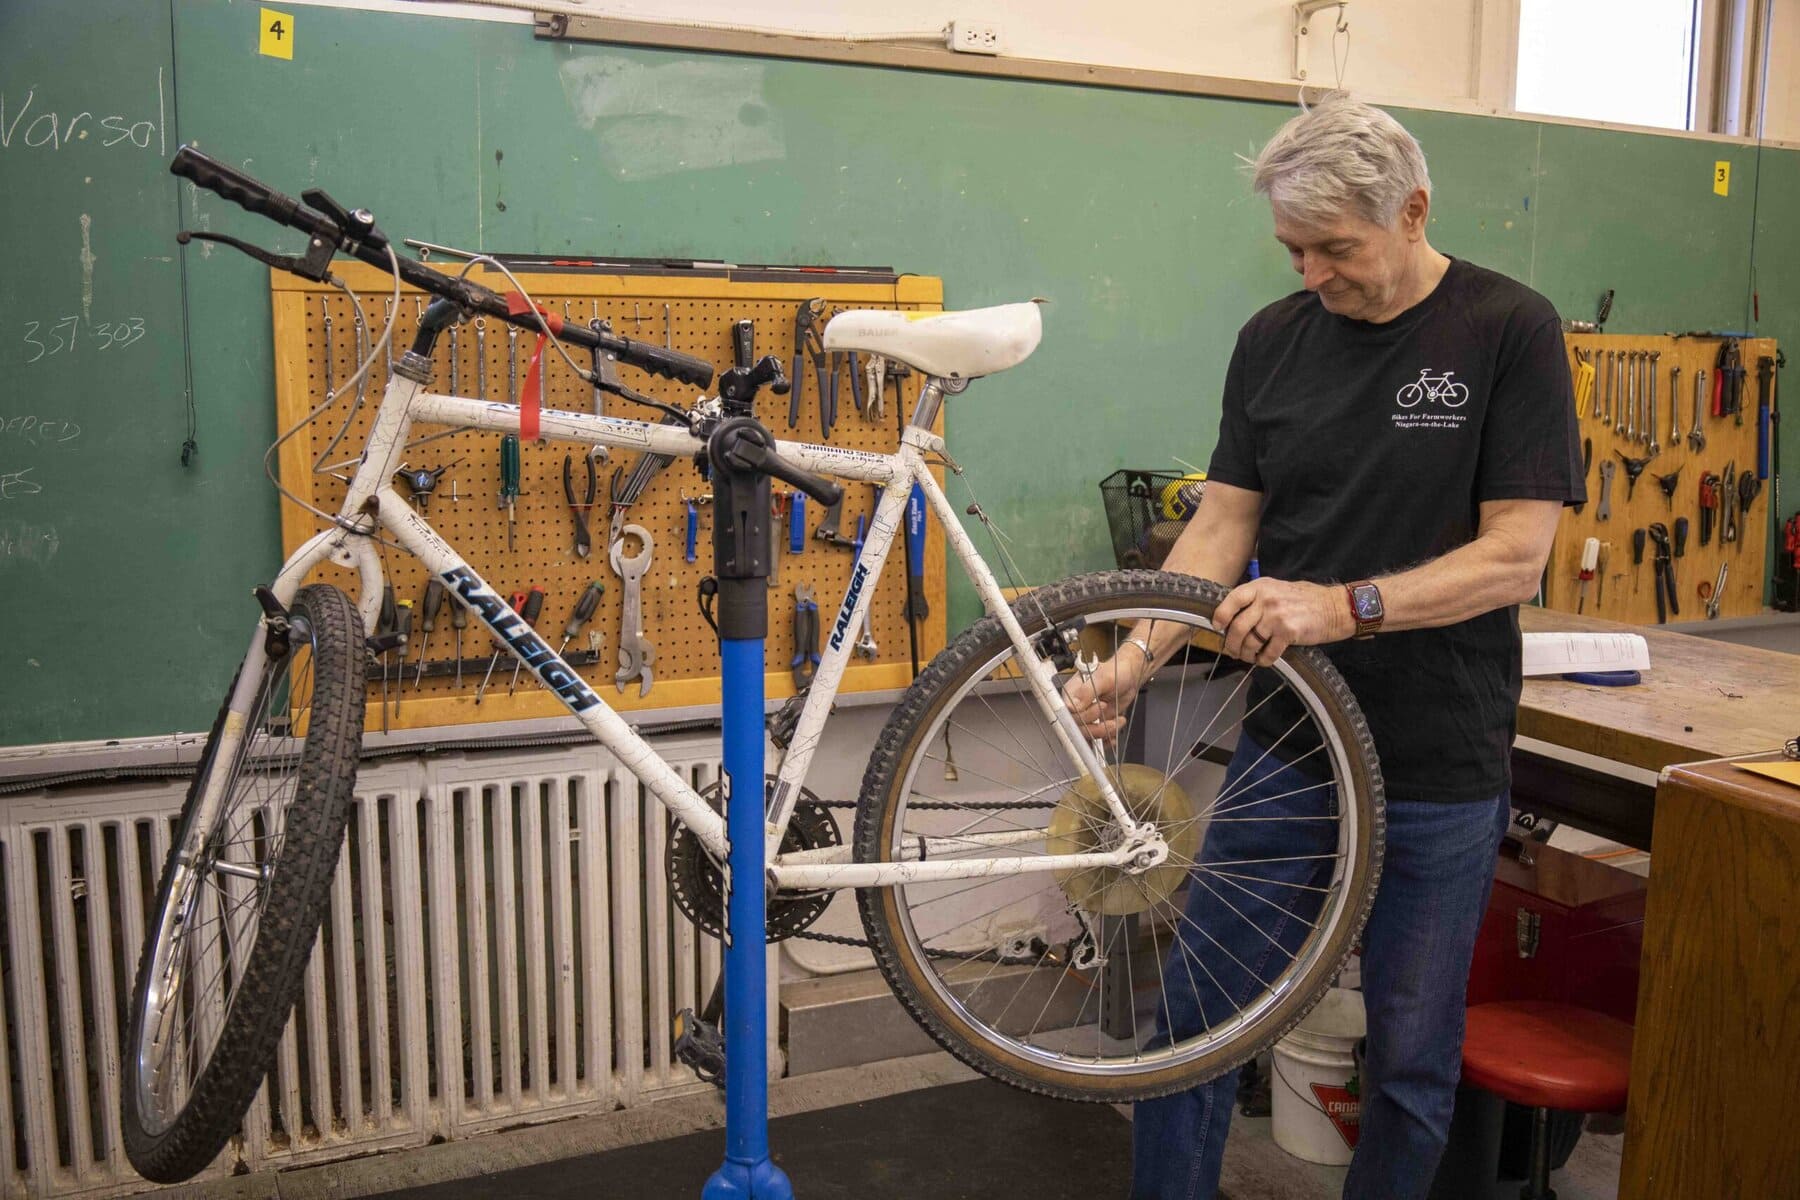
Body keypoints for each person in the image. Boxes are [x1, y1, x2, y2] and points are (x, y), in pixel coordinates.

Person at [1064, 95, 1584, 1200]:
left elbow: (1514, 558)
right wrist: (1133, 660)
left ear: (1414, 210)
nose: (1312, 274)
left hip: (1439, 760)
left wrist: (1336, 608)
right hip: (1289, 754)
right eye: (1294, 250)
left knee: (1407, 1061)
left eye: (1335, 248)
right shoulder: (1272, 341)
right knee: (1196, 1028)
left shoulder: (1509, 330)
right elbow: (1222, 527)